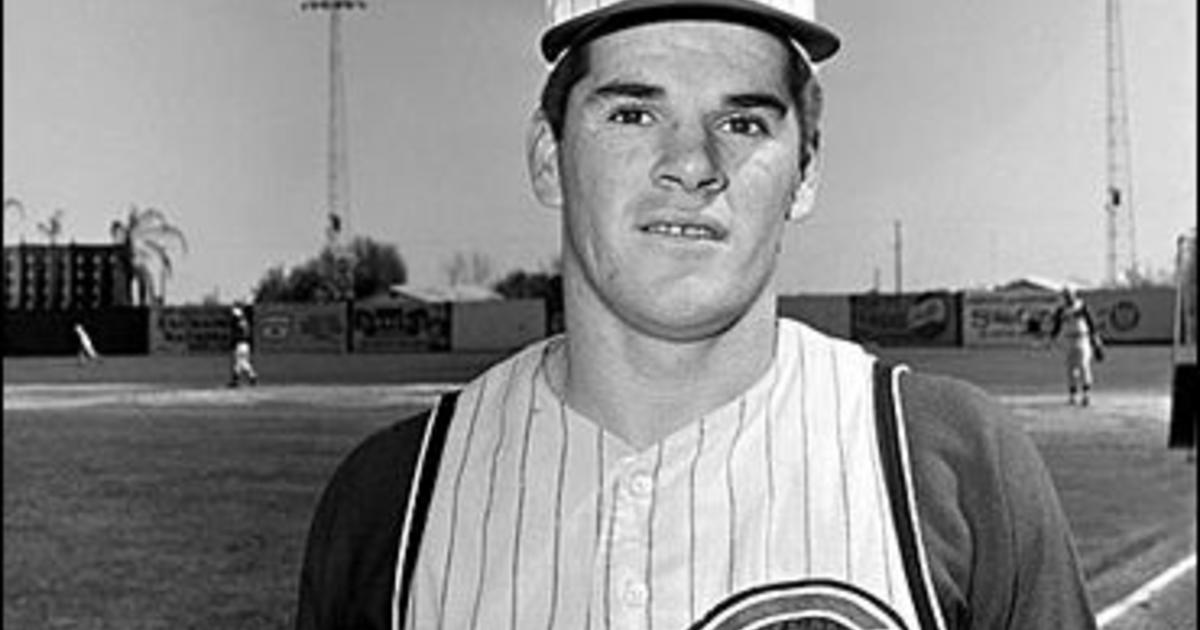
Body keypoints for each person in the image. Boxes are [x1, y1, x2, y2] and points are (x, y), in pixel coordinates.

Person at [295, 1, 1097, 628]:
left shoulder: (956, 465)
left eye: (743, 121)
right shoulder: (390, 502)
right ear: (549, 158)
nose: (692, 164)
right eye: (633, 113)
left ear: (806, 173)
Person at [1047, 286, 1103, 406]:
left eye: (1070, 294)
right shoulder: (1061, 310)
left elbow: (1091, 323)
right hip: (1068, 340)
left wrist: (1096, 340)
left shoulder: (1082, 306)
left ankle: (1086, 395)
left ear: (1074, 295)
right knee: (1070, 369)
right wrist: (1051, 339)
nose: (1068, 297)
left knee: (1083, 366)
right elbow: (1057, 326)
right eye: (1066, 295)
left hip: (1082, 338)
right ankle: (1072, 396)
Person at [228, 305, 258, 387]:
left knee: (241, 362)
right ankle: (235, 380)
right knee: (239, 363)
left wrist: (233, 343)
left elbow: (237, 334)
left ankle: (252, 376)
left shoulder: (239, 323)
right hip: (246, 344)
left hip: (241, 344)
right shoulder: (245, 321)